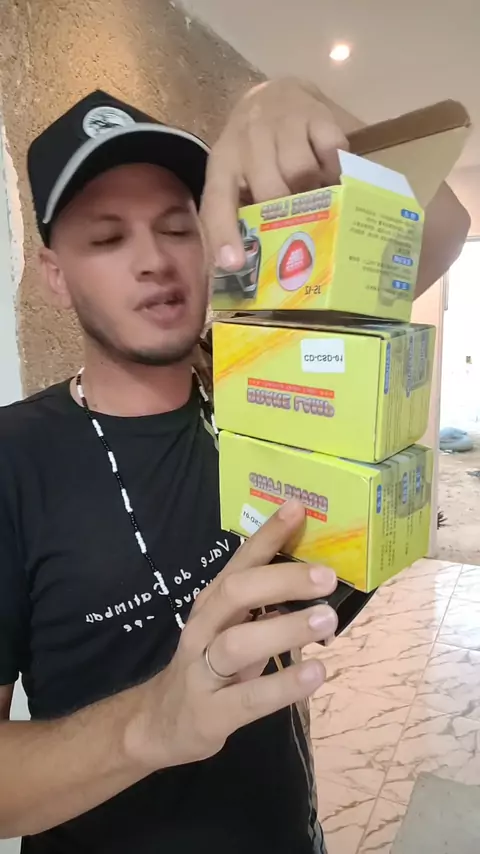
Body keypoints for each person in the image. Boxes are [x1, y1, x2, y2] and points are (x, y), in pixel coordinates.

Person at [0, 79, 469, 854]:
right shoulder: (15, 461)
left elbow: (444, 228)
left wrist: (295, 102)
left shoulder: (265, 378)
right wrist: (150, 727)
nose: (155, 260)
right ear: (54, 274)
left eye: (178, 226)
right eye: (109, 239)